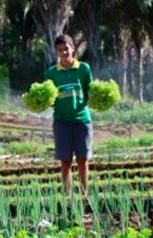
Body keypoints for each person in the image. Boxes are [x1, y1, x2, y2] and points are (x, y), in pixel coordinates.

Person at [44, 34, 93, 196]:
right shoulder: (51, 73)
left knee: (82, 160)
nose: (64, 52)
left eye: (66, 48)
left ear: (73, 48)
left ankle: (85, 194)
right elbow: (49, 98)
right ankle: (68, 196)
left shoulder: (84, 69)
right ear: (56, 52)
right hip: (61, 121)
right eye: (60, 50)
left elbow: (90, 92)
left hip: (82, 120)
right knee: (65, 162)